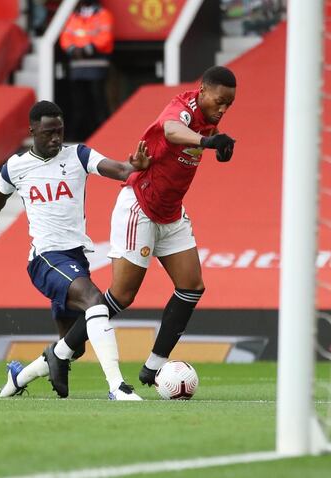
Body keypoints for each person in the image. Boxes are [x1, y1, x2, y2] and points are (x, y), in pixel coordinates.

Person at [0, 100, 151, 401]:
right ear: (32, 130)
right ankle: (118, 387)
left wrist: (133, 168)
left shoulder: (78, 155)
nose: (55, 139)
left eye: (59, 132)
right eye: (48, 132)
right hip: (45, 259)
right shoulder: (16, 167)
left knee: (72, 347)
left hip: (75, 258)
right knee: (95, 301)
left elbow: (117, 168)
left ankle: (18, 377)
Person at [103, 66, 237, 387]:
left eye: (228, 104)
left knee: (192, 286)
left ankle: (153, 367)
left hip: (171, 211)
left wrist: (216, 144)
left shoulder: (209, 118)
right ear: (202, 90)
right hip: (141, 203)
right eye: (219, 101)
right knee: (122, 296)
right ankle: (62, 350)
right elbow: (172, 131)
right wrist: (207, 142)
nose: (222, 109)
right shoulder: (182, 108)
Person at [59, 0, 113, 141]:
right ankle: (82, 135)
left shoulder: (102, 14)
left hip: (97, 65)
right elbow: (66, 37)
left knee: (98, 102)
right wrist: (72, 49)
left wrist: (87, 48)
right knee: (79, 104)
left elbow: (105, 37)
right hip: (77, 67)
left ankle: (104, 135)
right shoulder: (74, 16)